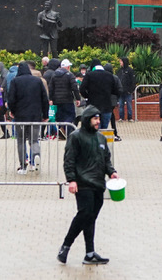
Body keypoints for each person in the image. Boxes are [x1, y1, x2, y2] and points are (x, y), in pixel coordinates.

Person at [57, 106, 117, 266]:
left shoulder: (101, 138)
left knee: (90, 218)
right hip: (83, 183)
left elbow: (106, 159)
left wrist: (112, 172)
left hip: (98, 184)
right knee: (84, 215)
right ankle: (66, 246)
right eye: (95, 119)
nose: (98, 122)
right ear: (87, 120)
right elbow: (69, 160)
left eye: (99, 119)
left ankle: (89, 253)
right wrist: (72, 180)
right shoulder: (75, 137)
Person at [7, 61, 49, 172]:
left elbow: (11, 99)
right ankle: (35, 158)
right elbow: (44, 99)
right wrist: (45, 115)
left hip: (20, 116)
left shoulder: (15, 81)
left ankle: (23, 165)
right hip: (35, 116)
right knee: (34, 140)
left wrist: (12, 111)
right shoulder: (37, 81)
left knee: (21, 140)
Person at [79, 60, 117, 140]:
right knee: (103, 129)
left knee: (94, 129)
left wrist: (88, 96)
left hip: (93, 107)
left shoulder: (89, 75)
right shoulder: (109, 75)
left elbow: (82, 89)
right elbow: (115, 90)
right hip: (106, 106)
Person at [50, 59, 79, 139]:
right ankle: (64, 129)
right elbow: (75, 88)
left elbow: (51, 87)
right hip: (68, 99)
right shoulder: (70, 75)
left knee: (60, 117)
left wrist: (50, 99)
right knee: (71, 115)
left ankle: (61, 133)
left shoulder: (54, 75)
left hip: (57, 100)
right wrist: (78, 99)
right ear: (68, 67)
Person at [116, 57, 137, 123]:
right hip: (121, 91)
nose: (120, 63)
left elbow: (133, 81)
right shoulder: (119, 71)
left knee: (129, 104)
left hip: (128, 92)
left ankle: (130, 118)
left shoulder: (130, 70)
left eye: (121, 61)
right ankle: (121, 118)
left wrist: (130, 90)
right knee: (121, 105)